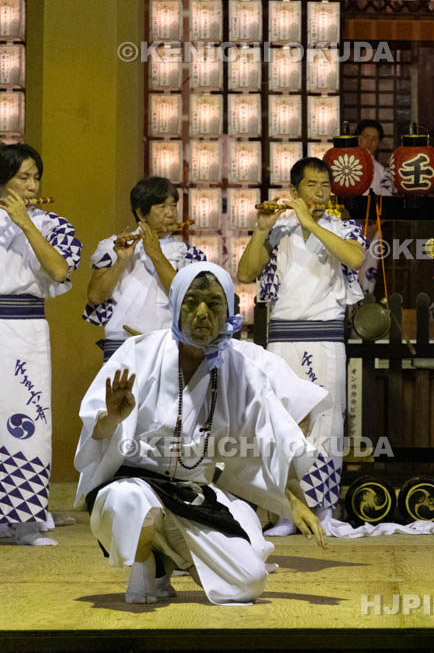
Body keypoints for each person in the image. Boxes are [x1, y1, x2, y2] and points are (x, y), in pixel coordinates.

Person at [74, 263, 328, 605]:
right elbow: (96, 432)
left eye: (213, 303)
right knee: (128, 502)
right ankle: (148, 562)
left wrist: (295, 502)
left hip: (192, 494)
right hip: (134, 483)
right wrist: (112, 417)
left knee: (248, 583)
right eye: (191, 302)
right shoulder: (139, 353)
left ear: (230, 312)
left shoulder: (240, 367)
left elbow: (272, 436)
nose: (202, 314)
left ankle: (172, 553)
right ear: (176, 305)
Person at [237, 158, 366, 537]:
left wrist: (311, 224)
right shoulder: (278, 229)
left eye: (326, 185)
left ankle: (323, 509)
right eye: (312, 185)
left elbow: (356, 259)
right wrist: (262, 231)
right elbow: (245, 274)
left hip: (326, 335)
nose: (321, 192)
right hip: (282, 335)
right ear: (294, 192)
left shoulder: (342, 227)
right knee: (284, 421)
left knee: (327, 421)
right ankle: (284, 510)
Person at [0, 143, 82, 547]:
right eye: (23, 178)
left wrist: (25, 224)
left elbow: (60, 270)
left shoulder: (53, 224)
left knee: (28, 420)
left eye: (36, 177)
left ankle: (28, 519)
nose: (32, 186)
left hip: (25, 327)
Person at [83, 177, 206, 360]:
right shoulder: (112, 246)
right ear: (141, 214)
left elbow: (187, 298)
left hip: (167, 345)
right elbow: (95, 296)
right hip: (120, 345)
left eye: (173, 206)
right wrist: (121, 261)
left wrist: (155, 254)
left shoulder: (189, 254)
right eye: (162, 207)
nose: (171, 214)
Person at [354, 119, 393, 296]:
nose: (368, 143)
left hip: (372, 230)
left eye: (374, 139)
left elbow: (387, 205)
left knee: (367, 278)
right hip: (344, 229)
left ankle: (362, 319)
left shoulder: (382, 173)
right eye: (365, 137)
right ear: (357, 138)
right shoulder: (343, 168)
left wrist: (372, 228)